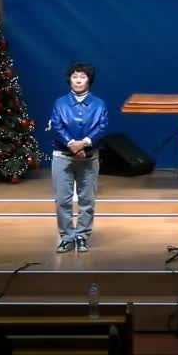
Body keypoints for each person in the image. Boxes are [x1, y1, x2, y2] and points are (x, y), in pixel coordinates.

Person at [49, 62, 109, 253]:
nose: (78, 80)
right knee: (62, 201)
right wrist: (72, 145)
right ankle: (67, 237)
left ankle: (82, 236)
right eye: (74, 77)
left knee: (87, 200)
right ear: (69, 80)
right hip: (62, 156)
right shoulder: (60, 102)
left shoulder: (99, 104)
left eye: (82, 77)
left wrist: (84, 143)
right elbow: (56, 125)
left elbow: (102, 126)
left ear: (89, 80)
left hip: (89, 157)